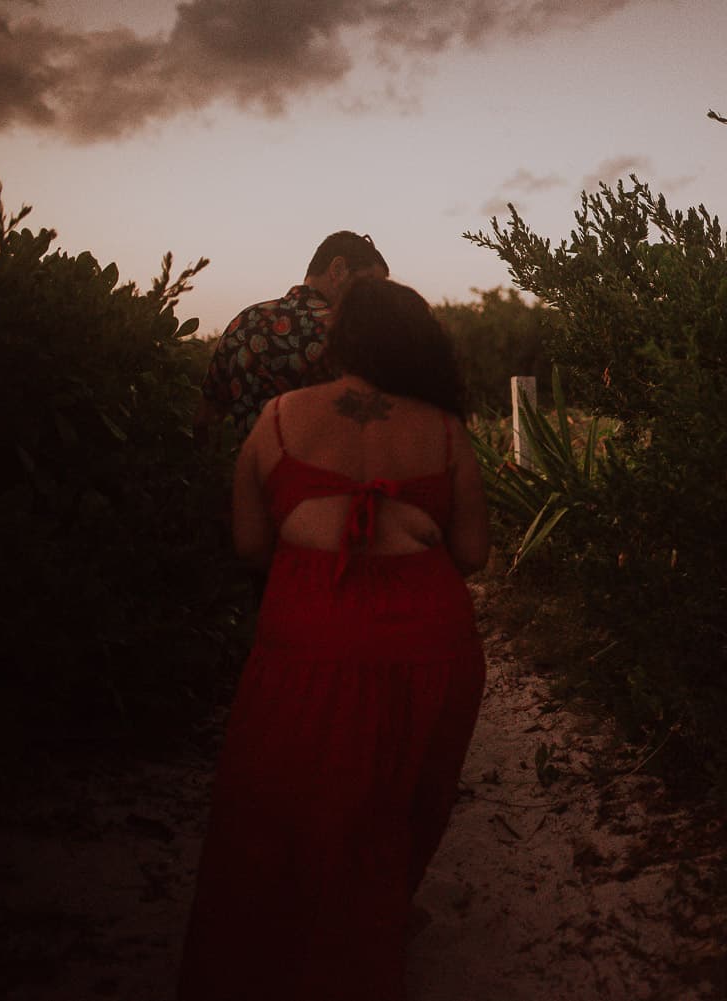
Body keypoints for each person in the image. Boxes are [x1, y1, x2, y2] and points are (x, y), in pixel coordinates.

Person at [178, 277, 490, 1001]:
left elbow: (250, 545)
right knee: (398, 802)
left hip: (310, 629)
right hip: (428, 637)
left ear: (341, 338)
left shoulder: (279, 419)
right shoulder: (446, 430)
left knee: (278, 799)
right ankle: (371, 930)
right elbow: (473, 554)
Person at [194, 231, 389, 441]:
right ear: (338, 269)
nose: (376, 300)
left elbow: (205, 418)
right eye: (370, 285)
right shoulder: (344, 334)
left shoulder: (244, 321)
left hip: (247, 459)